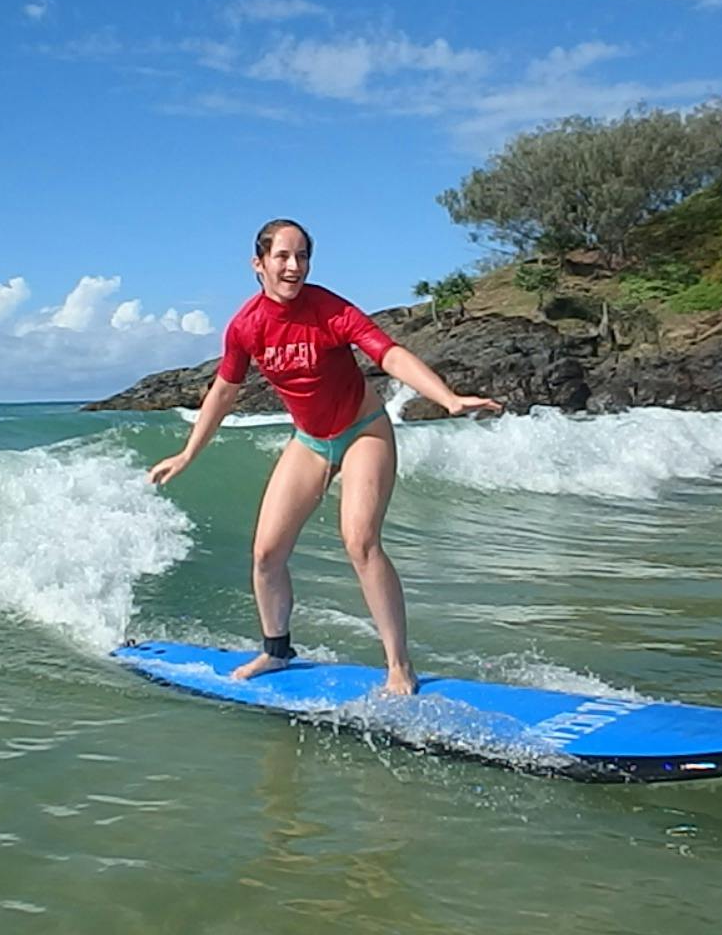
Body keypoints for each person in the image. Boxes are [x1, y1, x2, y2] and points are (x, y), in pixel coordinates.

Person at [149, 219, 501, 696]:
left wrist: (447, 397)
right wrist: (189, 452)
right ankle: (275, 652)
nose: (294, 267)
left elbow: (389, 354)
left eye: (302, 257)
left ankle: (399, 665)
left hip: (363, 431)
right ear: (259, 264)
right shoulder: (246, 326)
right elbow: (224, 392)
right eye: (283, 257)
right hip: (311, 440)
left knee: (359, 541)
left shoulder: (329, 309)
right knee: (266, 553)